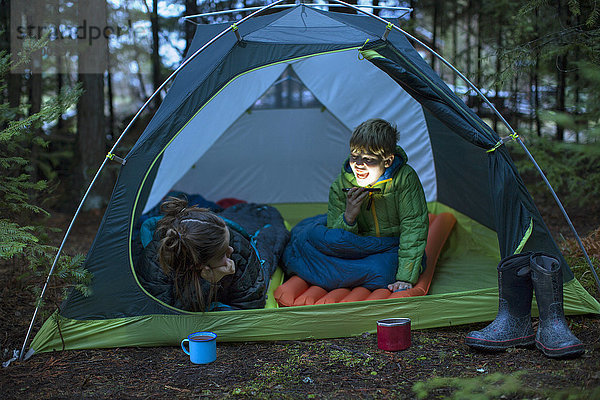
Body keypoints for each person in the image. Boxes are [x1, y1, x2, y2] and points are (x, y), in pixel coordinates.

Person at [135, 197, 290, 312]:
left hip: (249, 223)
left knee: (269, 231)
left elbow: (249, 305)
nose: (231, 251)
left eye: (228, 245)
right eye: (224, 252)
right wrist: (209, 282)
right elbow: (167, 314)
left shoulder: (238, 249)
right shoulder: (155, 265)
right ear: (200, 265)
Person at [327, 118, 429, 292]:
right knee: (311, 237)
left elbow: (414, 228)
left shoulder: (404, 179)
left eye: (368, 159)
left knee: (380, 272)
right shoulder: (341, 184)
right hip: (361, 249)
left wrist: (405, 277)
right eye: (354, 157)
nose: (359, 165)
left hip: (393, 248)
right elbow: (336, 240)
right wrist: (349, 216)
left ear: (387, 161)